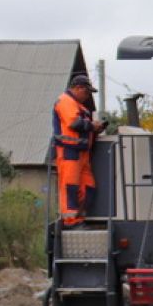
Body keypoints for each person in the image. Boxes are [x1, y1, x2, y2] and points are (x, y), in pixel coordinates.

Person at [51, 72, 106, 227]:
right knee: (71, 187)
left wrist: (95, 129)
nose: (88, 96)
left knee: (88, 189)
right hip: (69, 152)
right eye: (87, 92)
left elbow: (81, 125)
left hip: (82, 153)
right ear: (78, 88)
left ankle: (79, 219)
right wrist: (92, 126)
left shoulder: (79, 106)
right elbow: (73, 123)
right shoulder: (65, 101)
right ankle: (71, 221)